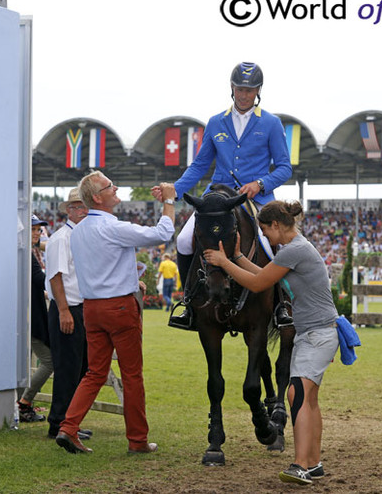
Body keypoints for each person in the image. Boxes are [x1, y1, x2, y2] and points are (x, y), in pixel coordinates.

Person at [204, 200, 339, 486]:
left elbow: (257, 284)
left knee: (297, 396)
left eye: (265, 231)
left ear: (276, 225)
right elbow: (264, 275)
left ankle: (301, 465)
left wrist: (225, 261)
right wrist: (238, 256)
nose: (264, 236)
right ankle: (313, 463)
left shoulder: (295, 250)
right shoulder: (294, 249)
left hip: (316, 334)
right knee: (308, 400)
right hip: (315, 332)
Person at [153, 62, 292, 330]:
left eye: (250, 90)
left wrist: (260, 183)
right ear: (232, 88)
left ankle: (280, 305)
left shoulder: (272, 123)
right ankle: (189, 304)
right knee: (183, 240)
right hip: (217, 197)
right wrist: (175, 189)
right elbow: (199, 165)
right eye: (240, 89)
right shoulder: (216, 122)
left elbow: (285, 167)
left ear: (258, 91)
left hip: (256, 199)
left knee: (276, 245)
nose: (244, 95)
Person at [55, 172, 175, 454]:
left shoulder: (80, 230)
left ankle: (68, 427)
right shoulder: (113, 226)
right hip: (120, 307)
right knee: (132, 374)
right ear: (97, 197)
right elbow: (162, 234)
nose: (116, 187)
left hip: (92, 308)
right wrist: (169, 200)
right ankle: (137, 440)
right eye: (110, 186)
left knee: (95, 372)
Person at [44, 188, 91, 440]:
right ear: (70, 211)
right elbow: (55, 277)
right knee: (67, 369)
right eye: (80, 207)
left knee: (81, 367)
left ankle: (69, 422)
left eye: (85, 206)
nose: (84, 212)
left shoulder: (78, 237)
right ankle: (59, 422)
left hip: (78, 308)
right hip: (68, 307)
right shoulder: (62, 238)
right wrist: (63, 311)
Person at [17, 214, 52, 422]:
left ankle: (22, 403)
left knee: (28, 361)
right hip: (31, 316)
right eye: (35, 229)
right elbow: (40, 280)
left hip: (29, 314)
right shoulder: (26, 253)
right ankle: (24, 403)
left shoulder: (27, 252)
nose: (38, 233)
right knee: (50, 361)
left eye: (39, 229)